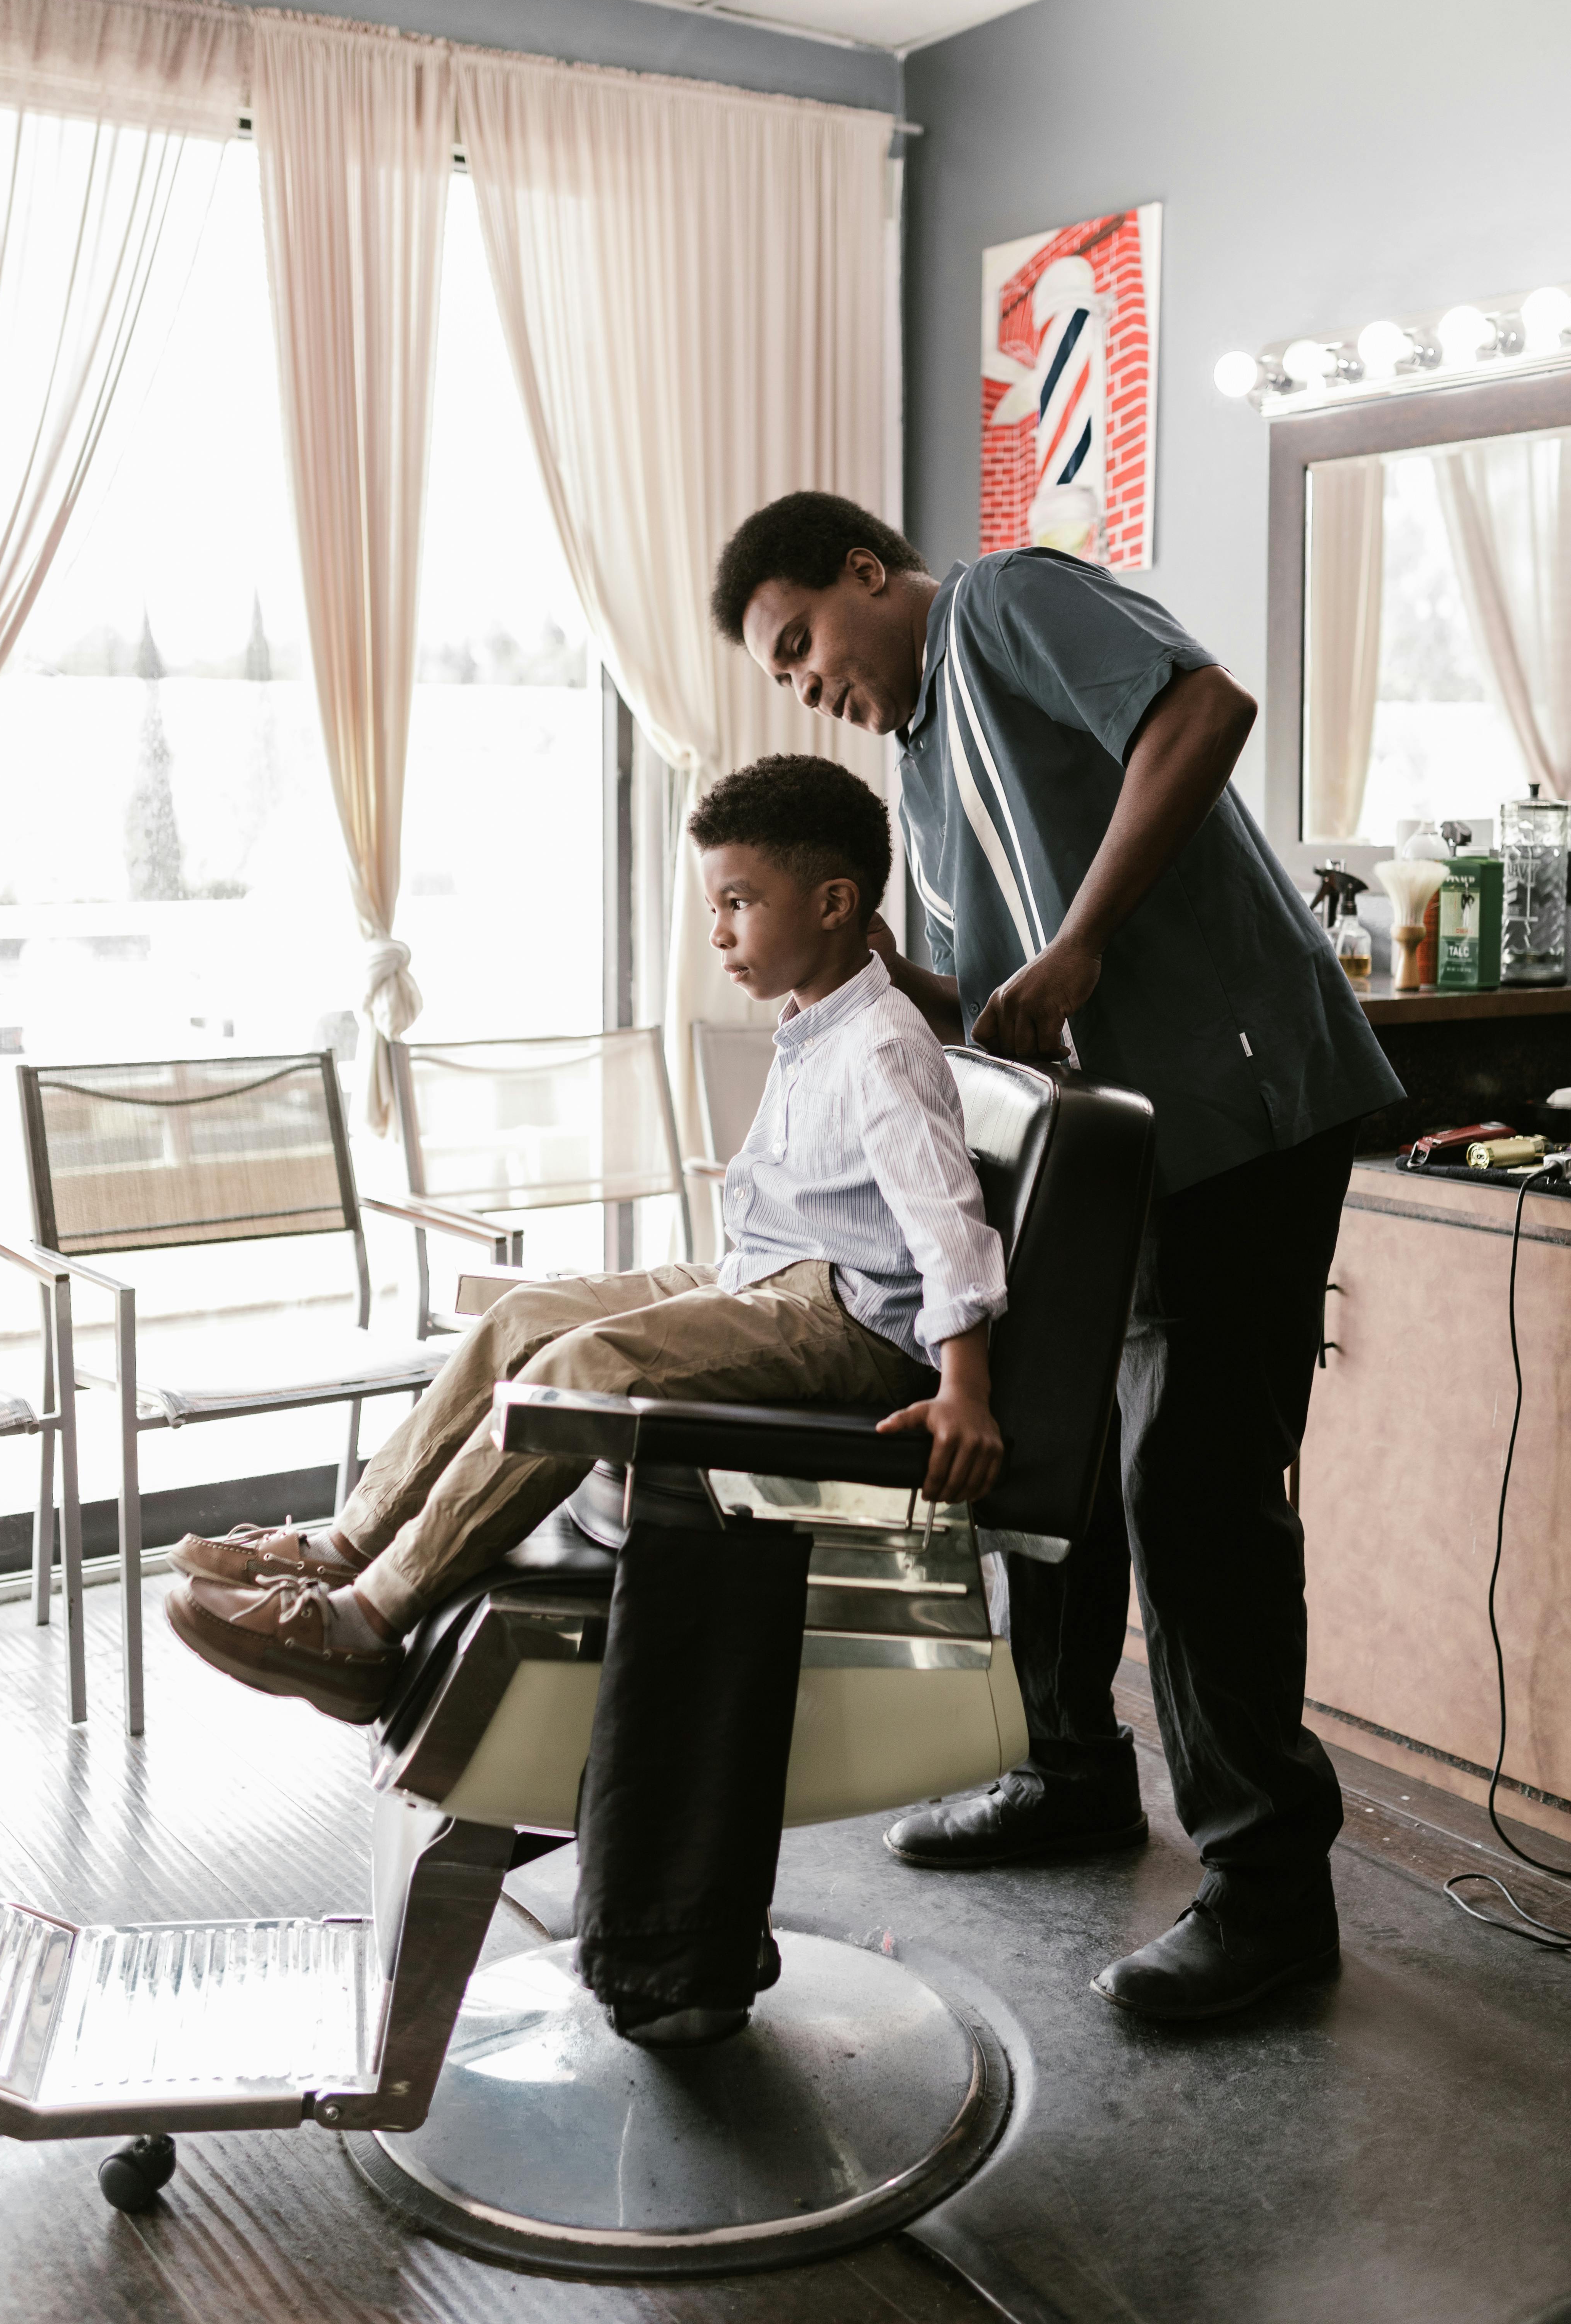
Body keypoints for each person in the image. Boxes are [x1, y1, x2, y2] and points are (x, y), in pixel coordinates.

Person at [712, 492, 1405, 2024]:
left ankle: (1270, 1894)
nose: (809, 685)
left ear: (865, 572)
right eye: (783, 679)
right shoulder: (921, 755)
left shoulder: (1006, 603)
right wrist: (907, 983)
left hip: (1240, 1112)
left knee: (1191, 1487)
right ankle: (1070, 1773)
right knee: (1064, 1456)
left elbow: (1205, 706)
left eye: (802, 644)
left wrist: (1086, 933)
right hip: (1121, 1152)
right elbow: (1001, 995)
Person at [165, 753, 1009, 1727]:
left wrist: (965, 1389)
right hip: (767, 1280)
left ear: (832, 904)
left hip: (849, 1320)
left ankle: (361, 1624)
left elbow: (946, 1219)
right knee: (530, 1313)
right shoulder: (814, 1022)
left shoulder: (882, 1043)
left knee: (589, 1363)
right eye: (713, 907)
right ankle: (348, 1544)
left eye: (739, 903)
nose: (718, 932)